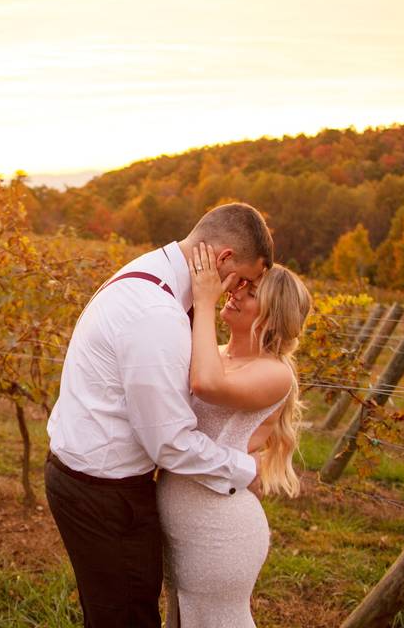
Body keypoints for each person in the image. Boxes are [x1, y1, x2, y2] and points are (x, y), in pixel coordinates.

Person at [45, 202, 273, 627]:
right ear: (222, 260)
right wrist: (245, 468)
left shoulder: (154, 275)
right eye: (242, 279)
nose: (238, 292)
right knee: (127, 618)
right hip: (103, 495)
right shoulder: (155, 313)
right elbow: (169, 443)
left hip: (96, 481)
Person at [158, 244, 311, 628]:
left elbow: (206, 384)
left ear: (274, 317)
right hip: (178, 517)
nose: (235, 292)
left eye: (251, 292)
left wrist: (204, 301)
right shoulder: (219, 351)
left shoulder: (275, 372)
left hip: (220, 529)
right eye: (239, 285)